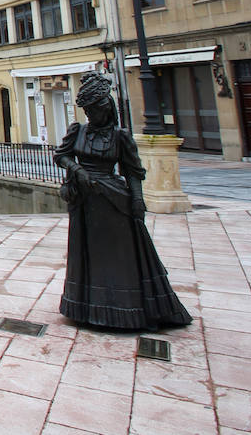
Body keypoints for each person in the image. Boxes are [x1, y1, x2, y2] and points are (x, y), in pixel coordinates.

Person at [53, 71, 191, 330]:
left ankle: (123, 308)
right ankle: (85, 304)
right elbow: (61, 155)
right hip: (84, 202)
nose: (92, 116)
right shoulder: (79, 131)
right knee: (86, 254)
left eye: (95, 110)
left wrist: (137, 200)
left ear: (107, 108)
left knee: (119, 255)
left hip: (113, 201)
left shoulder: (120, 136)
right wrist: (79, 171)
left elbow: (132, 171)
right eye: (89, 111)